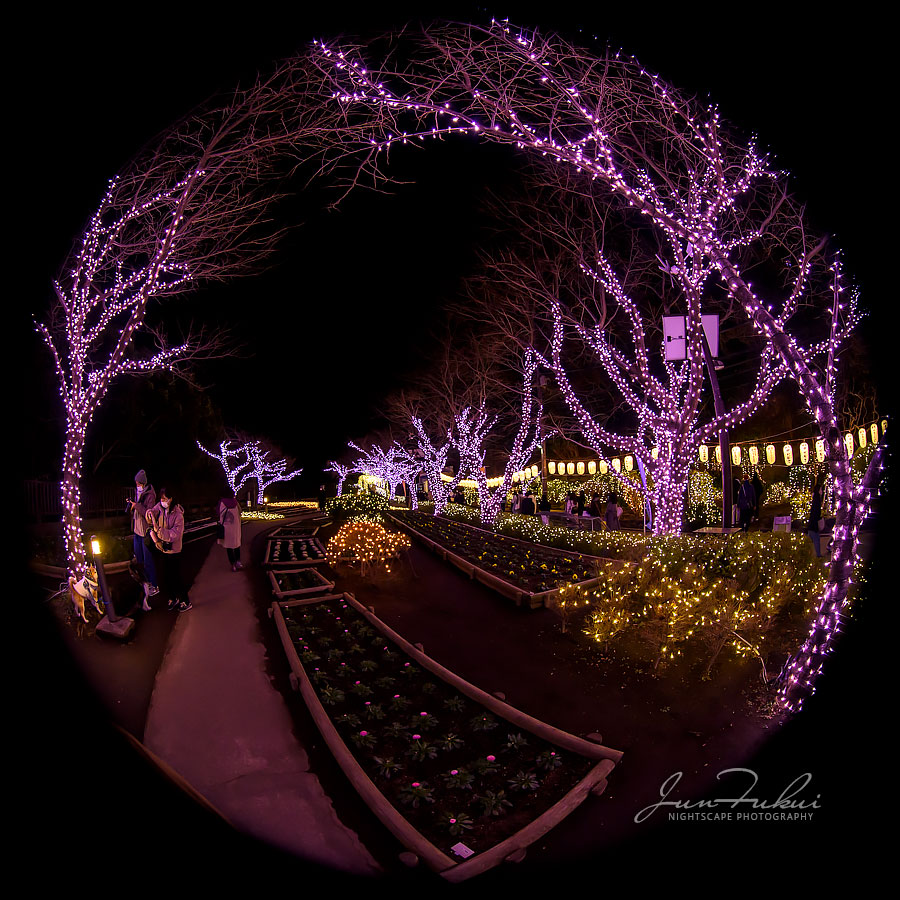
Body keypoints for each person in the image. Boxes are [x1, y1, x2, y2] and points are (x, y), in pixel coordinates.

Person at [147, 486, 191, 612]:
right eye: (161, 499)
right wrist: (149, 514)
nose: (162, 501)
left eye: (165, 499)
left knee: (176, 576)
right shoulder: (160, 508)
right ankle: (172, 597)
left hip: (174, 550)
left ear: (171, 499)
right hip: (163, 549)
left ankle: (185, 600)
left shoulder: (178, 515)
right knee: (166, 576)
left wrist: (159, 531)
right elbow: (151, 512)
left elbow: (174, 535)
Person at [127, 469, 159, 610]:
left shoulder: (150, 494)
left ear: (143, 483)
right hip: (137, 531)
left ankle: (154, 585)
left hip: (146, 531)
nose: (137, 485)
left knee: (148, 560)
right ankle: (145, 584)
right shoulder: (138, 492)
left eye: (138, 483)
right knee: (139, 559)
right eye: (136, 483)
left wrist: (137, 506)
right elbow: (137, 510)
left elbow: (148, 512)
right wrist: (131, 506)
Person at [217, 490, 243, 571]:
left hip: (226, 529)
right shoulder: (235, 502)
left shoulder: (221, 502)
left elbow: (218, 513)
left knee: (229, 546)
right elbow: (240, 512)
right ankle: (238, 562)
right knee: (236, 545)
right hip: (235, 528)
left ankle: (233, 564)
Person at [807, 477, 824, 558]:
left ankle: (808, 554)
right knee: (816, 540)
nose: (822, 491)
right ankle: (818, 555)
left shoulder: (815, 499)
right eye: (821, 489)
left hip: (811, 524)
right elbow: (816, 513)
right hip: (814, 525)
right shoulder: (817, 500)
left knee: (810, 540)